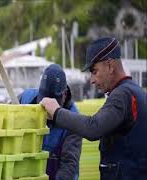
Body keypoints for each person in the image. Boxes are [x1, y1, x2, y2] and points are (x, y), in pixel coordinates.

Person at [41, 37, 147, 180]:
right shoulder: (135, 92)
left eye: (94, 71)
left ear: (110, 66)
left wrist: (56, 112)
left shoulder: (122, 95)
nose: (92, 80)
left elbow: (93, 127)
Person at [18, 64, 82, 180]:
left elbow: (69, 165)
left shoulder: (73, 121)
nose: (47, 109)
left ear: (64, 94)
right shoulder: (26, 99)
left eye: (51, 104)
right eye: (43, 102)